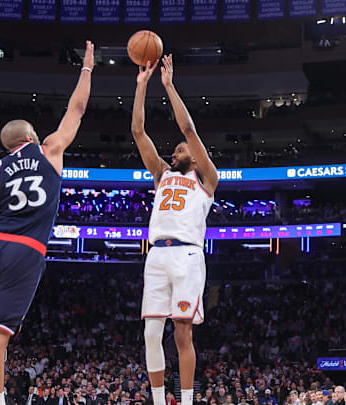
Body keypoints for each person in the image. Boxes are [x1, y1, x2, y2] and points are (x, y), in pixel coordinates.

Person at [0, 40, 95, 405]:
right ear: (31, 137)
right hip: (27, 251)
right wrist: (87, 68)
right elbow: (78, 108)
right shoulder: (51, 149)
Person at [131, 55, 218, 405]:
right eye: (176, 150)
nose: (175, 150)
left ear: (195, 157)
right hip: (157, 254)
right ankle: (156, 400)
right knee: (152, 333)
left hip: (187, 254)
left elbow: (189, 131)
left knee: (182, 332)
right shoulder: (162, 174)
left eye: (181, 150)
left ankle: (185, 401)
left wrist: (168, 87)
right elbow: (138, 131)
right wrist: (140, 89)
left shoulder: (206, 179)